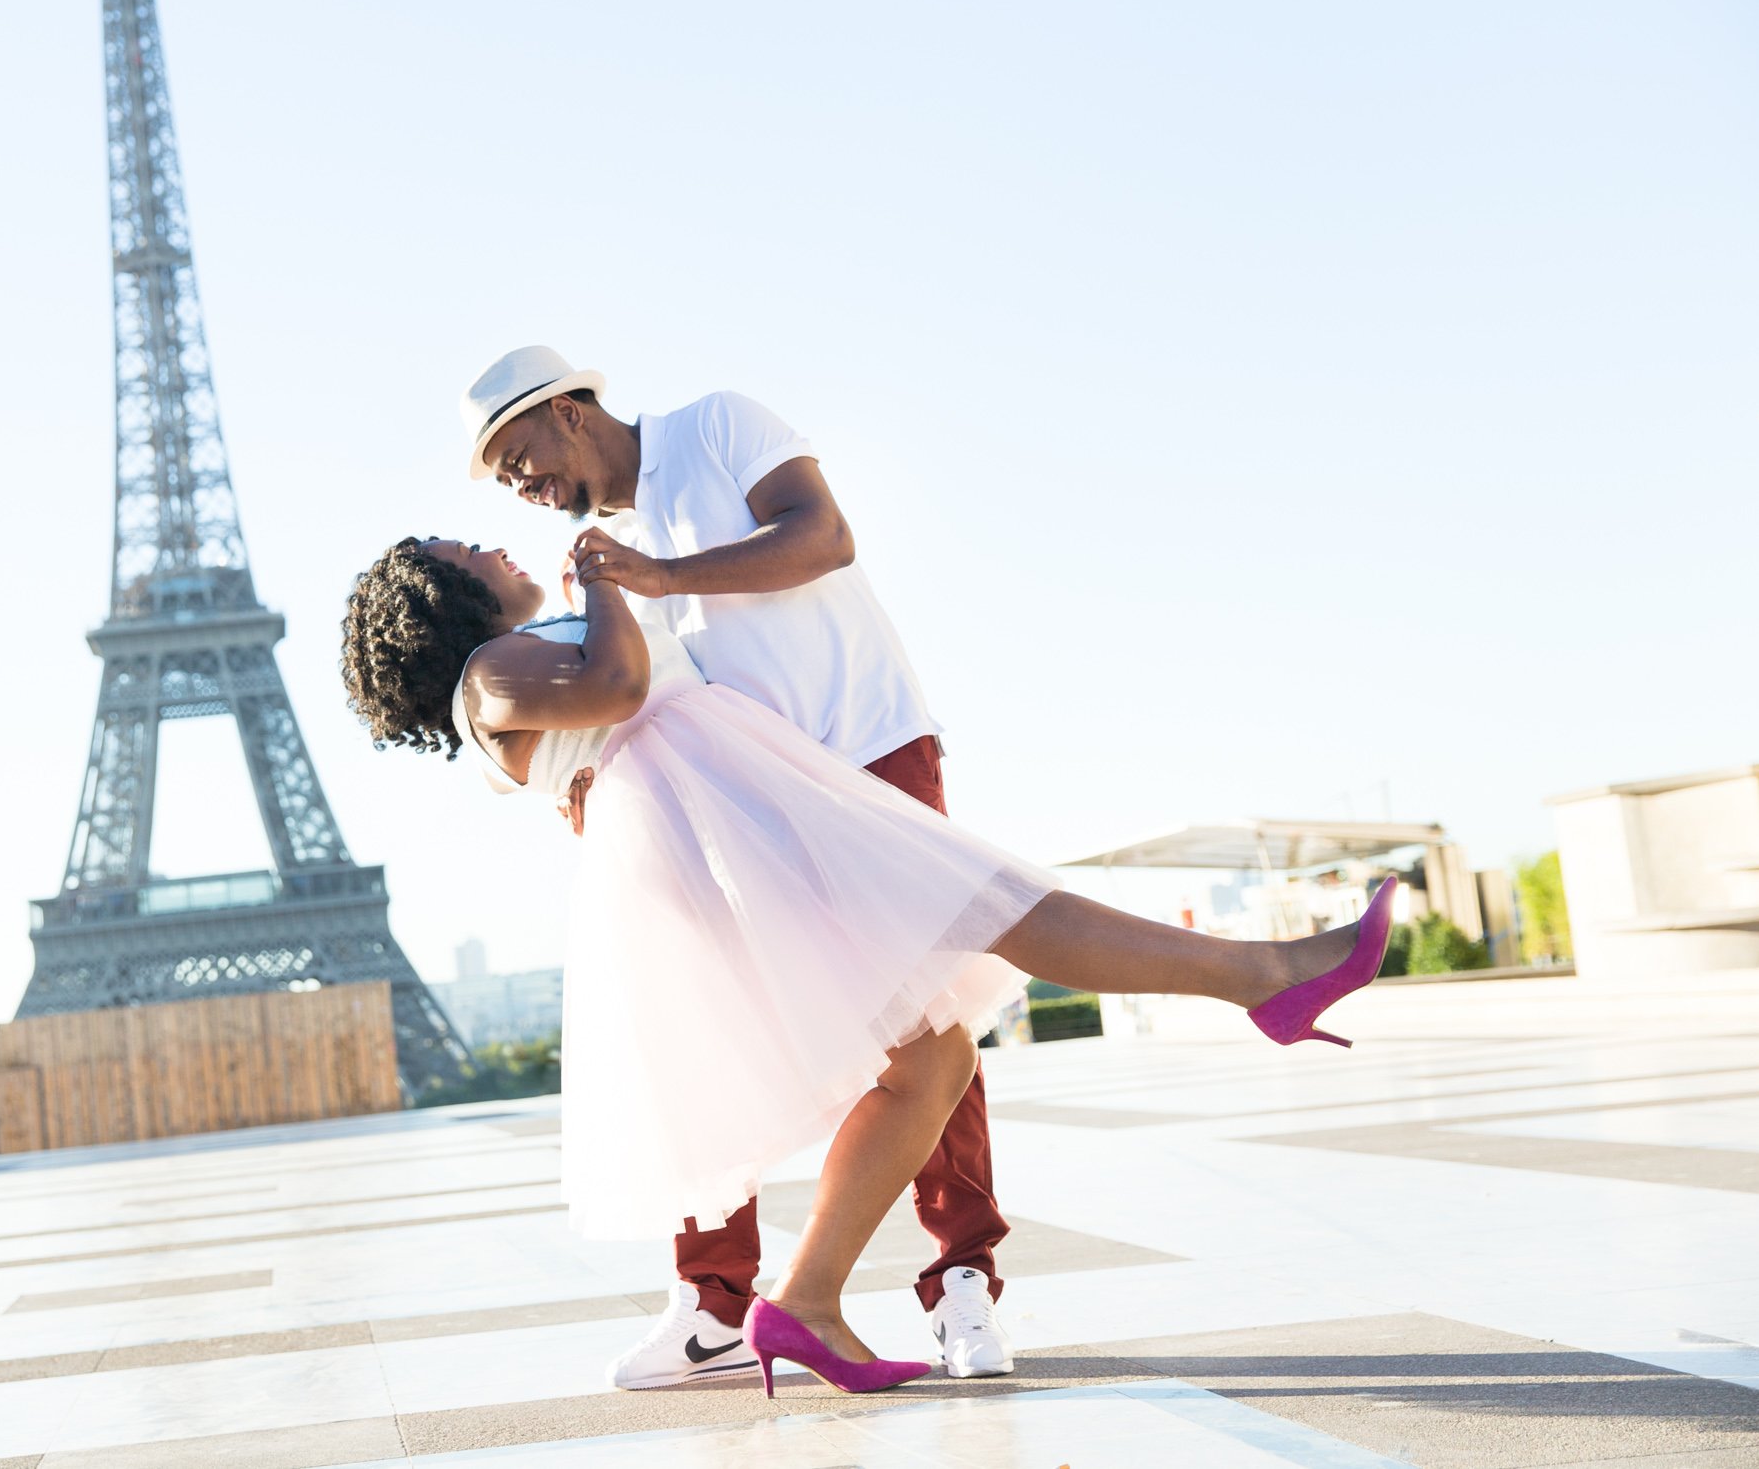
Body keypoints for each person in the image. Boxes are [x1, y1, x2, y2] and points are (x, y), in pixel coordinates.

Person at [337, 534, 1395, 1395]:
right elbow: (617, 684)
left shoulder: (516, 658)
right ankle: (1266, 973)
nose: (484, 541)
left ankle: (804, 1301)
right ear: (438, 601)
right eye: (458, 548)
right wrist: (610, 578)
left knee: (931, 1060)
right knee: (995, 904)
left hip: (754, 818)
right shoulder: (489, 675)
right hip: (742, 837)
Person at [460, 344, 1006, 1387]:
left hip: (869, 745)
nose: (517, 483)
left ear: (568, 410)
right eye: (499, 477)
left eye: (514, 452)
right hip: (756, 803)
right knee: (702, 1022)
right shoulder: (599, 558)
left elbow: (821, 536)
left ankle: (960, 1278)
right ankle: (713, 1298)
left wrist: (659, 578)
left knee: (931, 1021)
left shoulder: (714, 426)